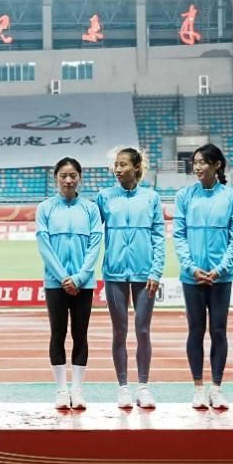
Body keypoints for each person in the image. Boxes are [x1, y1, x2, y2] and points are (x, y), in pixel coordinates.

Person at [173, 143, 233, 410]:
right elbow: (178, 235)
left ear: (217, 165)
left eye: (202, 162)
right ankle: (198, 388)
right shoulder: (184, 196)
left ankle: (217, 388)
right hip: (191, 277)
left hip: (220, 278)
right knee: (195, 330)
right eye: (195, 162)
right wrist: (191, 267)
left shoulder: (232, 198)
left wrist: (221, 269)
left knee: (218, 330)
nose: (197, 167)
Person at [96, 148, 165, 409]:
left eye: (123, 164)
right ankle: (123, 387)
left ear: (136, 167)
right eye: (116, 164)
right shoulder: (104, 196)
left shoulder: (151, 197)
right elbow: (92, 230)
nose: (117, 169)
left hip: (144, 274)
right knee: (119, 331)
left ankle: (143, 387)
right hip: (114, 273)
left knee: (143, 330)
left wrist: (156, 270)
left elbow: (159, 236)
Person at [37, 157, 103, 409]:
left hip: (83, 283)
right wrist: (63, 277)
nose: (68, 180)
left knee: (80, 334)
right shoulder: (45, 208)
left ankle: (77, 389)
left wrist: (79, 277)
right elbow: (44, 245)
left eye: (73, 175)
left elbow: (95, 245)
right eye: (63, 175)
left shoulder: (90, 209)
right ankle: (61, 390)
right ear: (56, 178)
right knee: (58, 333)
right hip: (55, 283)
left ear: (79, 178)